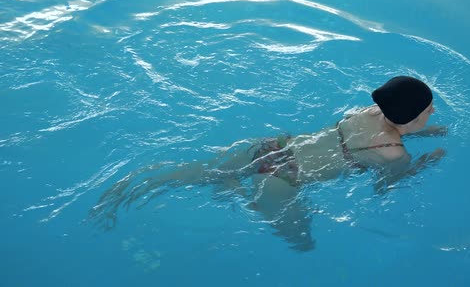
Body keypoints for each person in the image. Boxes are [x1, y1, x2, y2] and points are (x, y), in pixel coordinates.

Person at [89, 75, 446, 251]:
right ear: (412, 120)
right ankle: (240, 195)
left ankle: (122, 191)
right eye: (428, 111)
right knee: (302, 243)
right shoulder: (393, 152)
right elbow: (387, 186)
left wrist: (418, 131)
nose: (433, 112)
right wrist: (426, 163)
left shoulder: (368, 112)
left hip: (269, 148)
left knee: (189, 172)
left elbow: (380, 131)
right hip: (282, 181)